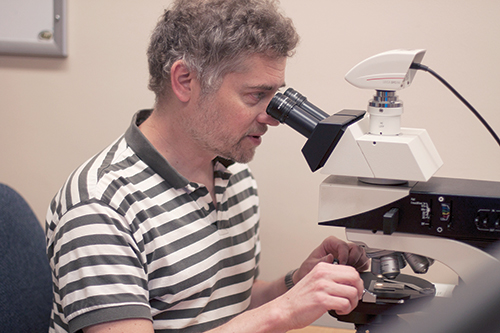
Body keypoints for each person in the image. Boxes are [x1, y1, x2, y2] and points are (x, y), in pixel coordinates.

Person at [45, 0, 369, 332]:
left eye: (274, 96)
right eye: (255, 95)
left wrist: (295, 284)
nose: (272, 118)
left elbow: (228, 305)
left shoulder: (235, 176)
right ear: (185, 80)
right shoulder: (101, 209)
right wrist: (283, 312)